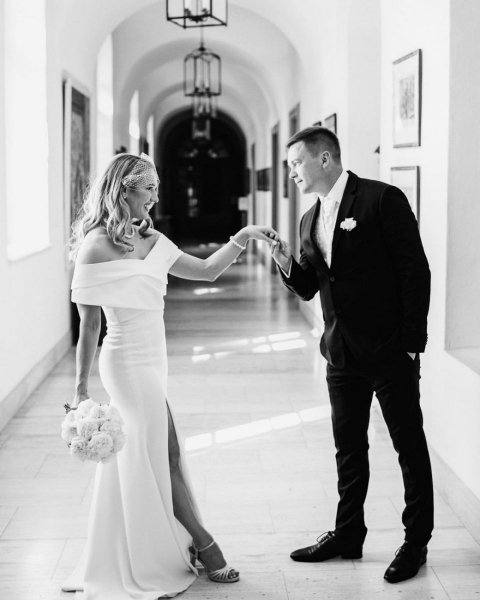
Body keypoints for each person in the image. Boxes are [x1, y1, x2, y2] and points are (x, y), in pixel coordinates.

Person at [62, 152, 280, 600]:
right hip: (124, 361)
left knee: (156, 452)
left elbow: (208, 271)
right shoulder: (94, 247)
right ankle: (205, 546)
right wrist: (81, 387)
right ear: (124, 190)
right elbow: (89, 325)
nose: (155, 199)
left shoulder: (153, 239)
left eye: (157, 189)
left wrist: (243, 237)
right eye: (149, 189)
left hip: (154, 357)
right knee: (164, 451)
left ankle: (152, 545)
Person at [270, 126, 433, 584]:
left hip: (389, 350)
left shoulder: (381, 200)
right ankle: (348, 534)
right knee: (348, 449)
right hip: (340, 353)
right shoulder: (308, 219)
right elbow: (311, 286)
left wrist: (410, 343)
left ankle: (416, 542)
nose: (292, 172)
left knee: (408, 447)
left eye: (296, 163)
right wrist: (285, 261)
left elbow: (414, 270)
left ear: (324, 159)